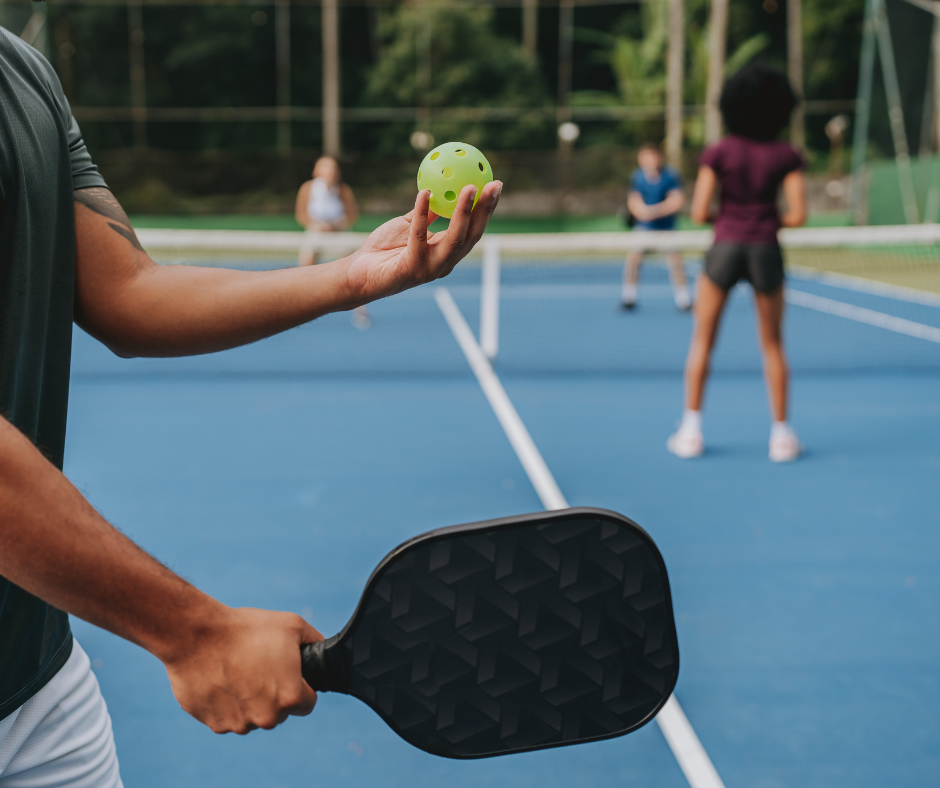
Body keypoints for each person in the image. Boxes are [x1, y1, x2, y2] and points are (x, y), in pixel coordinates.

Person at [0, 26, 501, 787]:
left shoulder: (23, 75)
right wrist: (191, 633)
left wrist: (352, 278)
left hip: (39, 682)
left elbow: (128, 292)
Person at [667, 62, 806, 463]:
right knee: (774, 344)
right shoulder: (786, 155)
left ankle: (690, 432)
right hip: (766, 250)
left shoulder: (719, 151)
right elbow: (797, 215)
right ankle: (781, 437)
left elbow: (698, 212)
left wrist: (729, 219)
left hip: (724, 247)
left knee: (702, 341)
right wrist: (765, 220)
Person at [295, 157, 370, 329]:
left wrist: (337, 224)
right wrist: (318, 225)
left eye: (333, 168)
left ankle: (360, 310)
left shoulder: (343, 190)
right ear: (316, 171)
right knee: (305, 266)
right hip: (316, 231)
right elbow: (301, 214)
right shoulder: (307, 188)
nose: (330, 172)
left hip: (339, 232)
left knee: (354, 268)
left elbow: (352, 215)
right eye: (325, 167)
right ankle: (300, 307)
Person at [622, 143, 691, 311]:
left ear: (660, 157)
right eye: (646, 157)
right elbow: (633, 200)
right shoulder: (637, 177)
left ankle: (683, 299)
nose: (650, 160)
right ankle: (629, 297)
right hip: (643, 229)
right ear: (641, 159)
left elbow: (677, 201)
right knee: (633, 260)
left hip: (667, 229)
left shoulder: (671, 176)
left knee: (676, 262)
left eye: (653, 156)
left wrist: (654, 211)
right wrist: (641, 211)